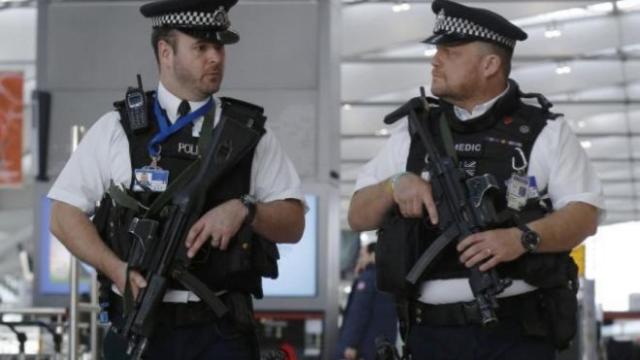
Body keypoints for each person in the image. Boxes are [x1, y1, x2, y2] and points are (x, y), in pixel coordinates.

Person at [48, 0, 305, 359]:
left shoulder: (246, 133)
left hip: (220, 329)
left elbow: (293, 223)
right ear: (165, 52)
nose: (216, 57)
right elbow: (63, 215)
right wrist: (116, 269)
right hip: (140, 323)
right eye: (201, 47)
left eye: (219, 46)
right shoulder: (117, 129)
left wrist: (246, 209)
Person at [348, 0, 605, 359]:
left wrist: (523, 238)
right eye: (437, 50)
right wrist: (395, 184)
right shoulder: (414, 133)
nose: (435, 60)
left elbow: (584, 214)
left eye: (450, 51)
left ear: (490, 64)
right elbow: (357, 214)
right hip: (430, 334)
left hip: (517, 334)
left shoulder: (544, 131)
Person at [336, 242, 398, 360]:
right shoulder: (389, 278)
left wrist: (350, 344)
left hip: (366, 347)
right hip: (383, 346)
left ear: (372, 255)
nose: (360, 259)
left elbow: (358, 314)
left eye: (362, 255)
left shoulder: (369, 278)